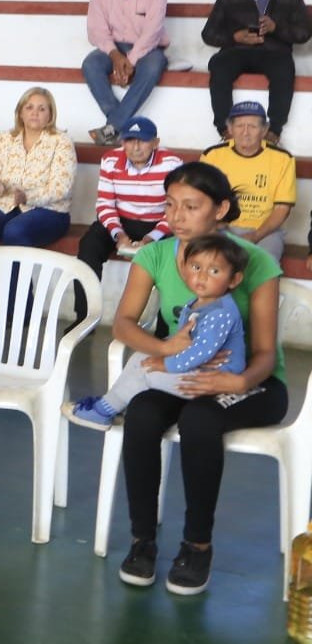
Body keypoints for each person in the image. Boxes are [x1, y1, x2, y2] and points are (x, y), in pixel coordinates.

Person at [108, 161, 287, 596]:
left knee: (201, 421)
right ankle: (142, 541)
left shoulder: (255, 262)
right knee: (145, 413)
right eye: (170, 205)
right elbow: (124, 325)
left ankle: (197, 546)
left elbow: (265, 353)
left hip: (254, 383)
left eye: (191, 206)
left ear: (221, 209)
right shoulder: (154, 254)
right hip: (183, 371)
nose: (177, 216)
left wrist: (240, 383)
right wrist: (165, 349)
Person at [72, 232, 248, 429]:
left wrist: (166, 365)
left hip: (215, 381)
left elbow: (199, 353)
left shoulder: (221, 313)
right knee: (141, 357)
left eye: (214, 271)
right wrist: (163, 352)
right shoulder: (196, 303)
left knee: (151, 373)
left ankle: (104, 409)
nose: (202, 276)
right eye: (196, 267)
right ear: (184, 268)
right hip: (197, 369)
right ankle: (109, 405)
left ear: (234, 279)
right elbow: (185, 341)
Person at [74, 117, 183, 324]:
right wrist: (119, 234)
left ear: (156, 143)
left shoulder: (172, 164)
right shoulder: (110, 160)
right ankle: (84, 318)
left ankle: (165, 327)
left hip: (158, 223)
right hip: (121, 221)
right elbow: (105, 204)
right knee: (88, 246)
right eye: (130, 140)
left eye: (142, 141)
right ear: (122, 142)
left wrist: (152, 237)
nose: (135, 147)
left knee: (173, 258)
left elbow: (175, 208)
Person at [0, 86, 76, 294]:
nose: (35, 113)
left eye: (42, 108)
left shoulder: (61, 142)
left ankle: (18, 306)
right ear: (20, 112)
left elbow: (62, 188)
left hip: (50, 211)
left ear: (51, 114)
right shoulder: (4, 139)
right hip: (5, 202)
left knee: (15, 230)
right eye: (29, 107)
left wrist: (29, 196)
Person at [202, 0, 310, 143]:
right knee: (219, 65)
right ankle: (224, 128)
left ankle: (274, 131)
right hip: (236, 51)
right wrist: (235, 37)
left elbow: (304, 34)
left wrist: (276, 28)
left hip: (274, 52)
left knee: (284, 69)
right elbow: (208, 34)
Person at [83, 0, 170, 145]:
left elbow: (152, 33)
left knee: (153, 66)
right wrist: (115, 55)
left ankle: (113, 126)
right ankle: (120, 123)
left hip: (147, 48)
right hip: (112, 47)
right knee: (91, 64)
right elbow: (96, 31)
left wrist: (128, 61)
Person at [201, 100, 295, 262]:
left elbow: (282, 209)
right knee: (207, 260)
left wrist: (255, 235)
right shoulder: (212, 156)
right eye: (239, 126)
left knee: (266, 266)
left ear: (264, 130)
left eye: (252, 126)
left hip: (265, 230)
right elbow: (202, 199)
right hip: (221, 226)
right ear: (230, 129)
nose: (245, 132)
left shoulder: (283, 159)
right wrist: (217, 227)